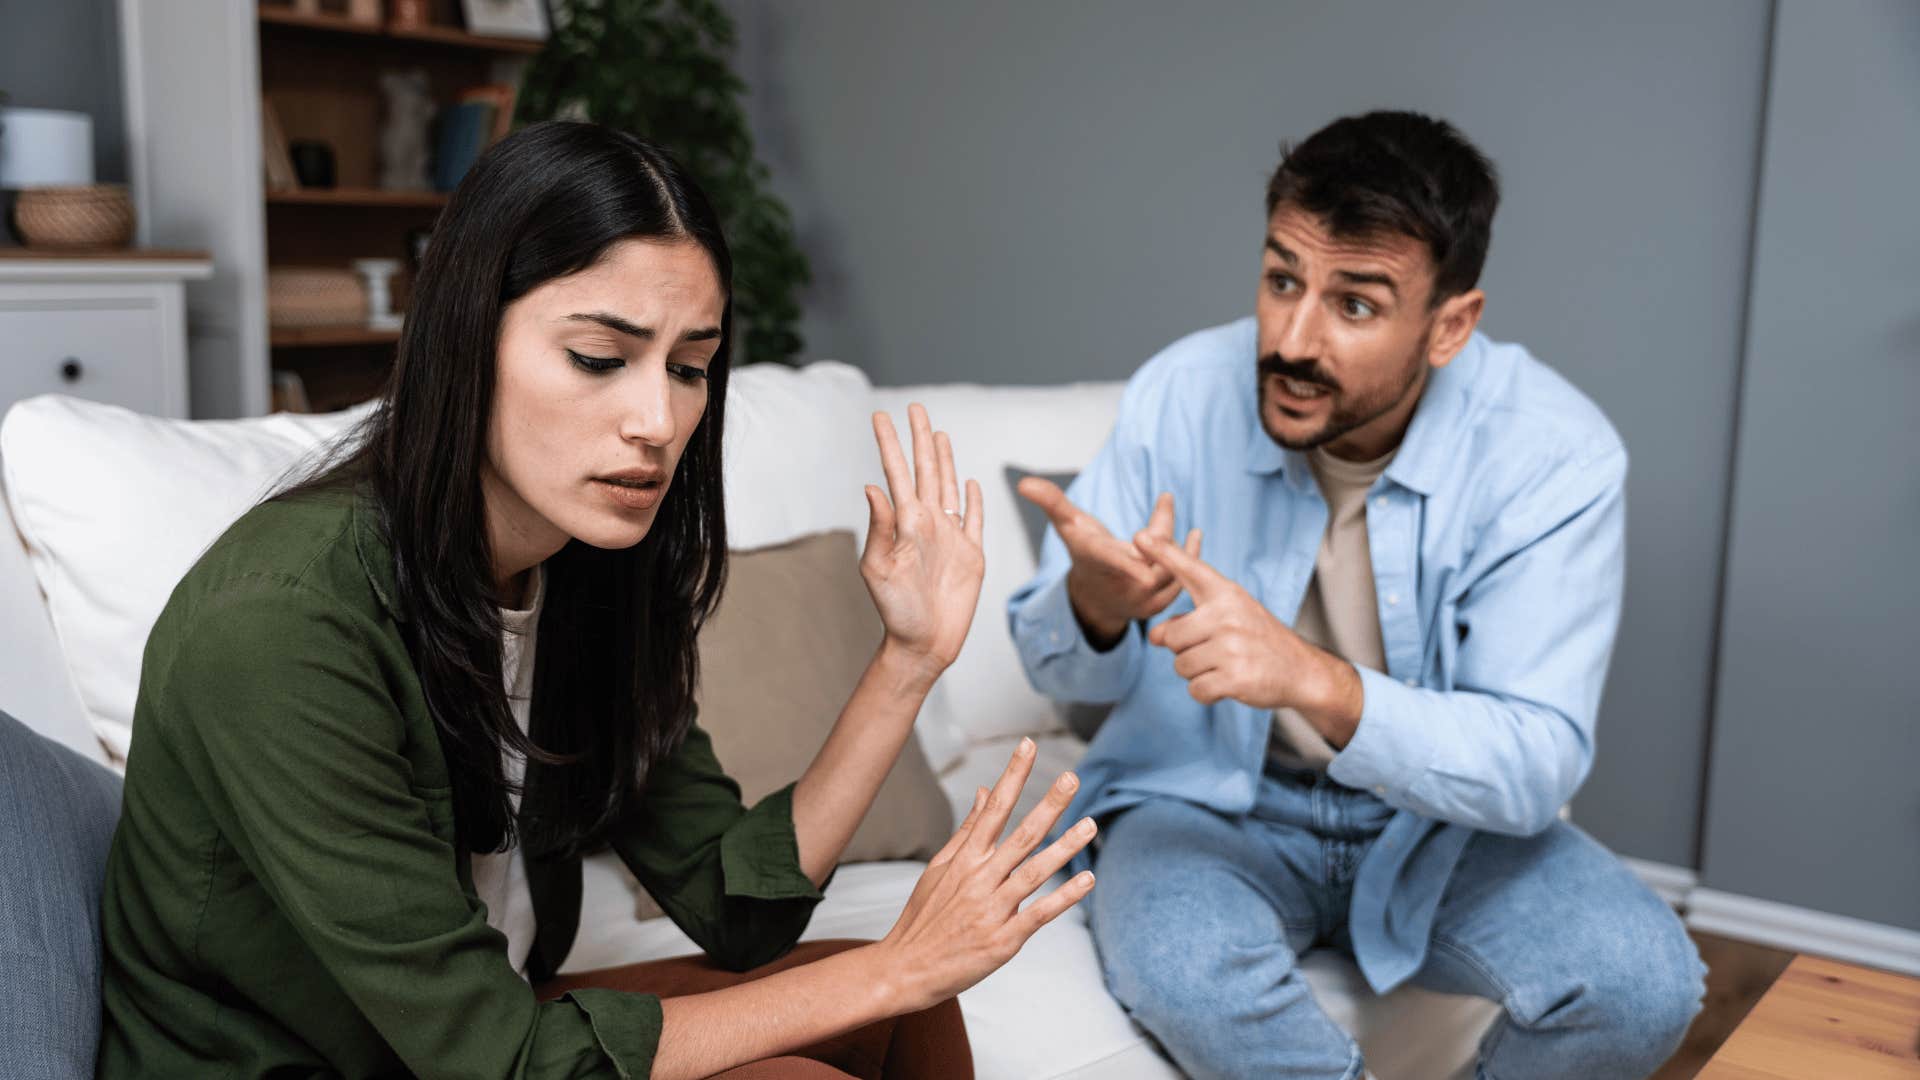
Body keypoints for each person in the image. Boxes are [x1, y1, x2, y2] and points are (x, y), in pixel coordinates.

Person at [96, 121, 1098, 1080]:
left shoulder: (586, 569)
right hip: (333, 1064)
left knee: (906, 1009)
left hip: (489, 1033)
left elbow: (733, 903)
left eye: (692, 368)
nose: (658, 420)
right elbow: (497, 1062)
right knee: (872, 1001)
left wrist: (908, 660)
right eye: (598, 358)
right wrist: (897, 960)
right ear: (465, 335)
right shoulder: (282, 623)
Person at [1009, 111, 1706, 1079]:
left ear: (1451, 326)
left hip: (1440, 828)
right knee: (1185, 969)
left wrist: (1318, 683)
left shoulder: (1553, 456)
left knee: (1640, 983)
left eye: (1358, 305)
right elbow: (1049, 660)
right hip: (1212, 804)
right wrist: (1094, 599)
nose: (1293, 340)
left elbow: (1535, 763)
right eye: (1282, 279)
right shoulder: (1181, 393)